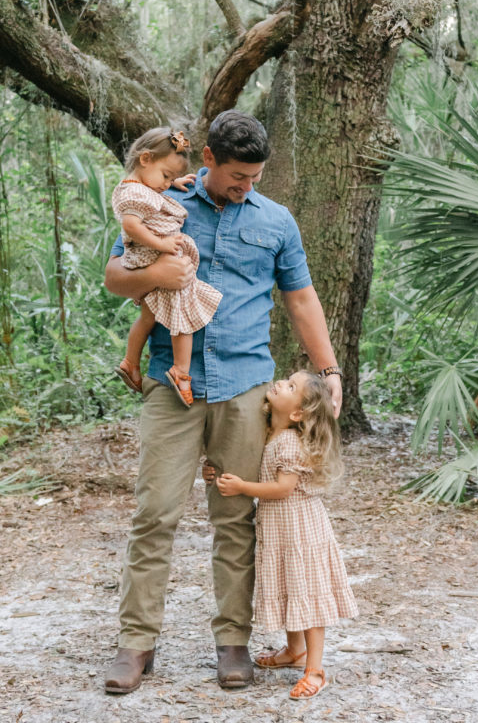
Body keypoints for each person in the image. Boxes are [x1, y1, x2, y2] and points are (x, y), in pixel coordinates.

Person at [102, 110, 343, 696]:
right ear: (207, 158)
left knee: (235, 521)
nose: (246, 186)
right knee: (154, 516)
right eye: (237, 175)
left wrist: (330, 370)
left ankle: (233, 643)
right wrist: (160, 266)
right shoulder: (164, 203)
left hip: (246, 388)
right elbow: (114, 277)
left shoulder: (277, 221)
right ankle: (136, 646)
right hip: (172, 384)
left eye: (255, 177)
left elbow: (301, 298)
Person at [203, 370, 358, 700]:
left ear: (298, 413)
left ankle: (315, 669)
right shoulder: (269, 434)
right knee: (292, 588)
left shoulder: (288, 442)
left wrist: (243, 488)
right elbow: (250, 462)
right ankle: (294, 650)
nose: (281, 383)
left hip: (301, 531)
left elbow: (283, 488)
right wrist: (216, 468)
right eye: (287, 379)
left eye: (291, 386)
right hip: (282, 531)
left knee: (309, 597)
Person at [111, 127, 222, 406]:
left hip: (149, 257)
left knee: (148, 318)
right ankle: (181, 372)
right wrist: (161, 245)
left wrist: (171, 182)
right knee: (182, 316)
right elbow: (131, 225)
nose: (165, 183)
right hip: (155, 258)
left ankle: (129, 361)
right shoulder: (133, 195)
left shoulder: (141, 188)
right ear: (145, 159)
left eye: (170, 178)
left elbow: (151, 194)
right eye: (165, 175)